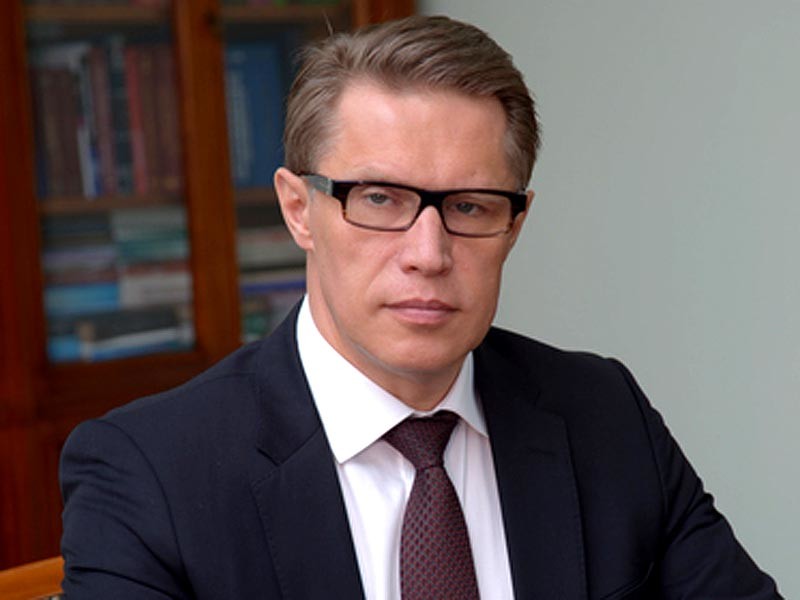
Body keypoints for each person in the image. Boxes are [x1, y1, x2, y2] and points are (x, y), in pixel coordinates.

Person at [59, 15, 782, 599]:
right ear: (299, 210)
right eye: (379, 199)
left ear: (514, 225)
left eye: (469, 206)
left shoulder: (605, 415)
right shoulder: (150, 473)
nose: (428, 253)